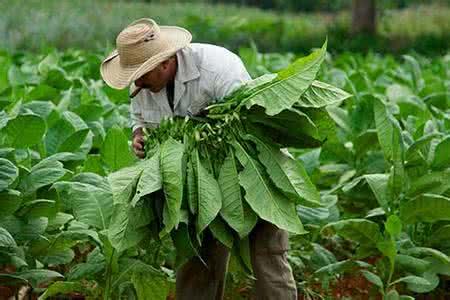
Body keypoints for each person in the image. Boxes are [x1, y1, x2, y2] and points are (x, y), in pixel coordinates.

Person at [100, 18, 297, 300]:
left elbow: (249, 126)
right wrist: (139, 136)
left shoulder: (218, 67)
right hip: (199, 184)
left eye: (142, 74)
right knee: (197, 261)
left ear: (165, 62)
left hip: (256, 173)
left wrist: (202, 136)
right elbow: (140, 119)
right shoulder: (143, 85)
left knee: (268, 256)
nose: (138, 83)